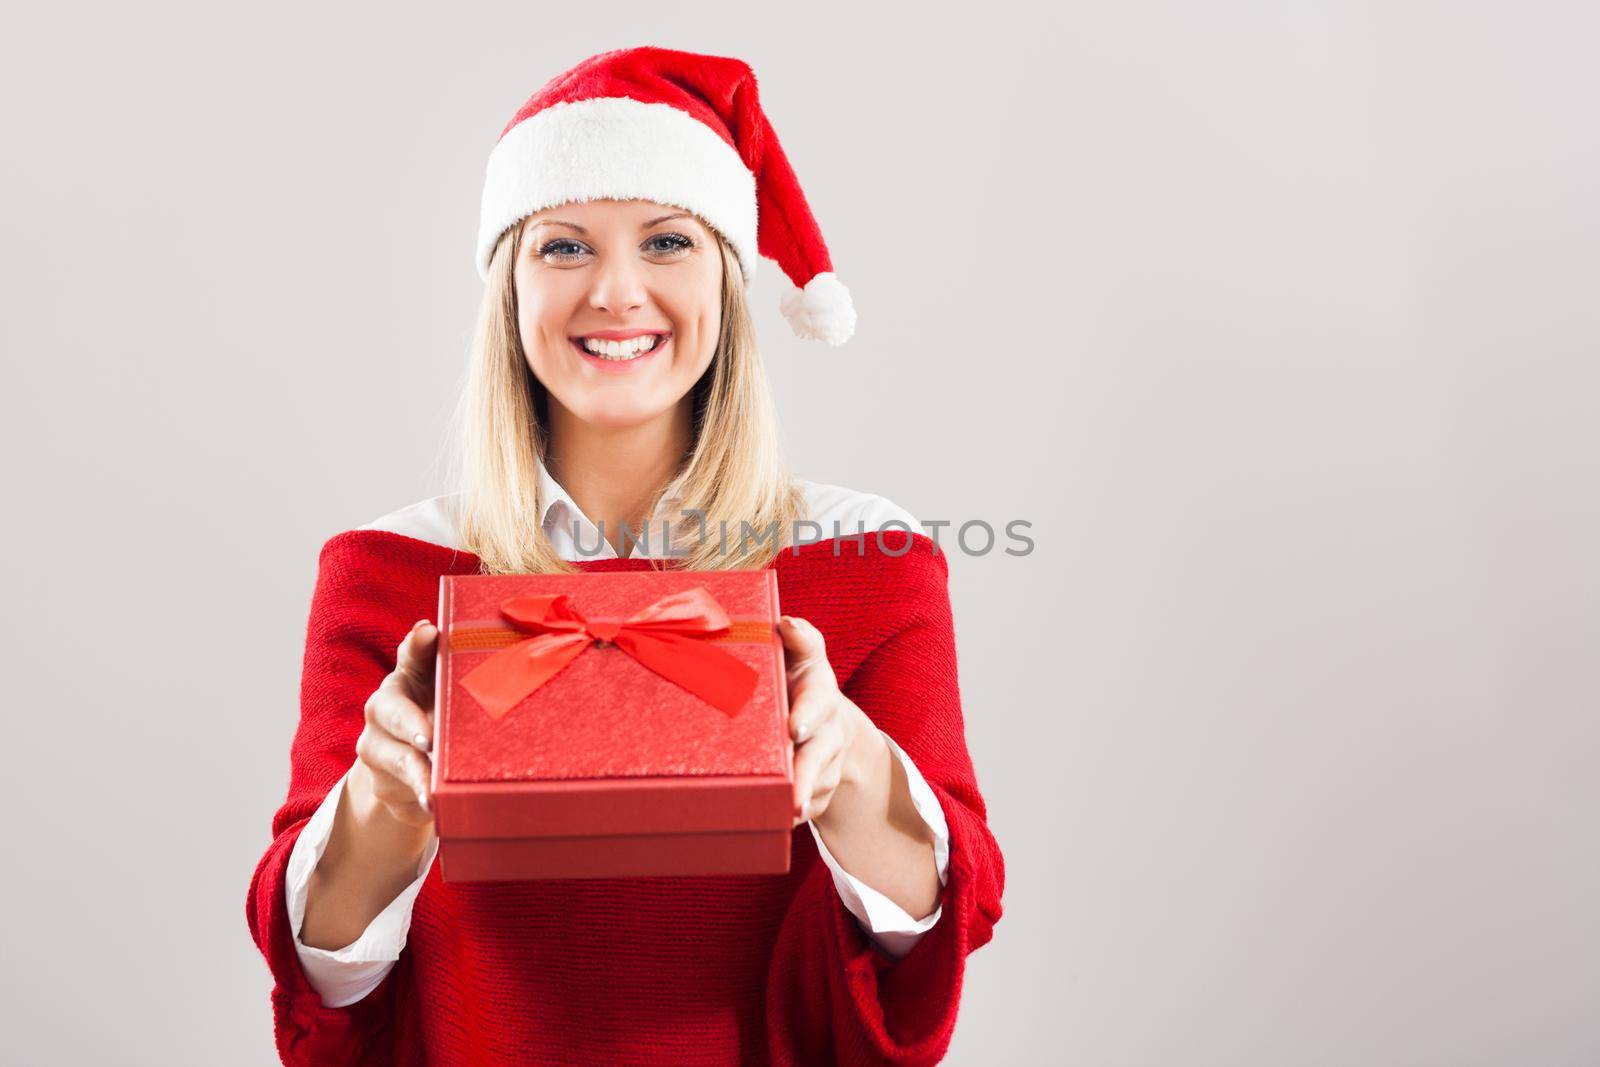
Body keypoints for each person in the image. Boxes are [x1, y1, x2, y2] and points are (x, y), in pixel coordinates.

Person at [246, 45, 1006, 1066]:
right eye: (563, 247)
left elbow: (937, 934)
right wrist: (383, 805)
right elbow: (321, 981)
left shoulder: (864, 558)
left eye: (665, 242)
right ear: (508, 287)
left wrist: (850, 768)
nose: (614, 291)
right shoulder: (391, 571)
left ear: (725, 281)